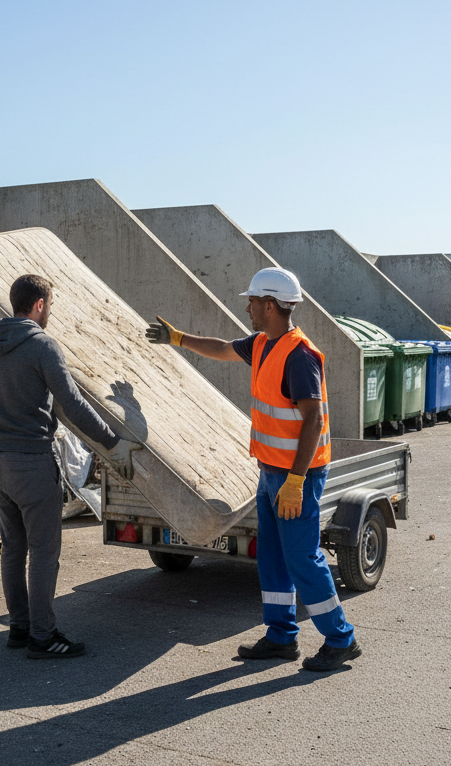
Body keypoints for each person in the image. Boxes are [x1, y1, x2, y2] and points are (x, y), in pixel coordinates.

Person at [145, 267, 361, 671]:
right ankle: (281, 636)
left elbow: (313, 421)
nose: (246, 308)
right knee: (274, 558)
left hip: (298, 476)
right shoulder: (263, 344)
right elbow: (223, 347)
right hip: (271, 472)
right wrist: (178, 339)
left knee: (302, 559)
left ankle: (340, 638)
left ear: (269, 305)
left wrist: (295, 481)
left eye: (251, 302)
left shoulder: (299, 355)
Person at [0, 274, 140, 660]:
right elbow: (71, 404)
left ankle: (20, 628)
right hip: (31, 462)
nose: (50, 311)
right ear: (38, 305)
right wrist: (112, 441)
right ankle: (43, 636)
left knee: (14, 548)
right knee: (43, 552)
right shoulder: (42, 346)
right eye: (49, 305)